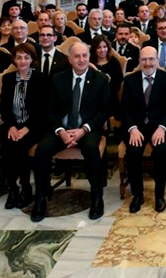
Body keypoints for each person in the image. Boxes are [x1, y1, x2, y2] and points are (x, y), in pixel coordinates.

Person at [32, 42, 112, 222]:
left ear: (89, 57)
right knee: (42, 151)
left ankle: (97, 197)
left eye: (84, 55)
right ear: (70, 59)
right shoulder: (58, 79)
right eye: (77, 56)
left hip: (87, 128)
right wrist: (61, 131)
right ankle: (41, 197)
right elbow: (49, 110)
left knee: (92, 149)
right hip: (61, 129)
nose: (81, 60)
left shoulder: (100, 79)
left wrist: (83, 130)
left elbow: (104, 111)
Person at [121, 46, 166, 213]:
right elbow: (124, 108)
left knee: (160, 151)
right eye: (144, 59)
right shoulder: (130, 80)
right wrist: (132, 128)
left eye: (151, 59)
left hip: (160, 126)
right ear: (139, 61)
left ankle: (159, 195)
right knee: (132, 152)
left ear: (157, 60)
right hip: (136, 127)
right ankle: (137, 195)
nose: (148, 63)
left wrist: (162, 128)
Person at [0, 43, 48, 210]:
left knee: (21, 148)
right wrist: (12, 126)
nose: (22, 61)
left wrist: (27, 127)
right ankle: (12, 189)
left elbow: (43, 110)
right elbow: (4, 107)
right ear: (14, 59)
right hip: (12, 124)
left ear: (32, 59)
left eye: (26, 57)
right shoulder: (8, 79)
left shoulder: (41, 79)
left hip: (34, 125)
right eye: (19, 57)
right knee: (6, 149)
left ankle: (26, 188)